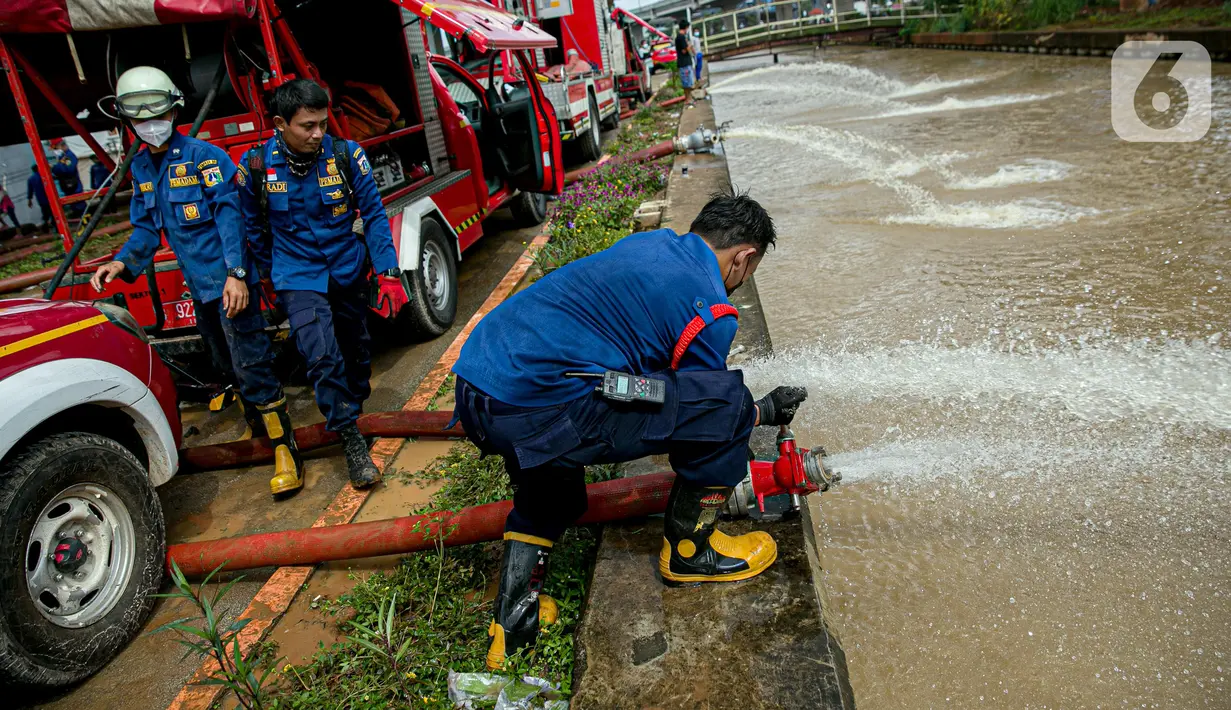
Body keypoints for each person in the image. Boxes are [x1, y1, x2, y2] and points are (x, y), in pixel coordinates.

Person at [451, 191, 808, 668]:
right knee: (726, 401)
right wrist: (758, 410)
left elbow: (648, 372)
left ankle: (513, 627)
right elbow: (701, 407)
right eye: (750, 271)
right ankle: (691, 551)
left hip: (480, 384)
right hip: (540, 407)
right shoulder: (712, 310)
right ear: (745, 257)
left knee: (556, 496)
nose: (742, 283)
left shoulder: (653, 244)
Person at [90, 66, 303, 498]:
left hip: (229, 284)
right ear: (127, 121)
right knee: (224, 364)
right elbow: (148, 229)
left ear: (174, 110)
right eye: (140, 117)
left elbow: (231, 218)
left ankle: (287, 450)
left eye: (157, 113)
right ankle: (256, 428)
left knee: (253, 363)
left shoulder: (205, 158)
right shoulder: (144, 170)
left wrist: (237, 274)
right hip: (201, 288)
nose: (150, 123)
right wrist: (122, 263)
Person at [238, 78, 399, 490]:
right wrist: (271, 279)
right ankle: (350, 439)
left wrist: (389, 271)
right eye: (307, 126)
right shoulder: (256, 167)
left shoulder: (347, 155)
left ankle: (353, 405)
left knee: (356, 351)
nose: (318, 134)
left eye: (322, 124)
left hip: (346, 268)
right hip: (297, 275)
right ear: (279, 123)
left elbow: (375, 214)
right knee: (321, 355)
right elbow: (253, 227)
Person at [675, 20, 695, 107]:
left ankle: (689, 98)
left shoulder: (680, 37)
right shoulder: (681, 37)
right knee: (687, 83)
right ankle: (688, 99)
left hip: (684, 62)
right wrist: (690, 46)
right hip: (684, 63)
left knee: (687, 82)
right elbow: (684, 50)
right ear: (686, 27)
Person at [26, 164, 51, 230]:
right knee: (52, 212)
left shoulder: (31, 179)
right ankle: (56, 227)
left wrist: (29, 200)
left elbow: (30, 191)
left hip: (40, 199)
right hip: (50, 197)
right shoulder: (44, 175)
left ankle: (46, 227)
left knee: (45, 212)